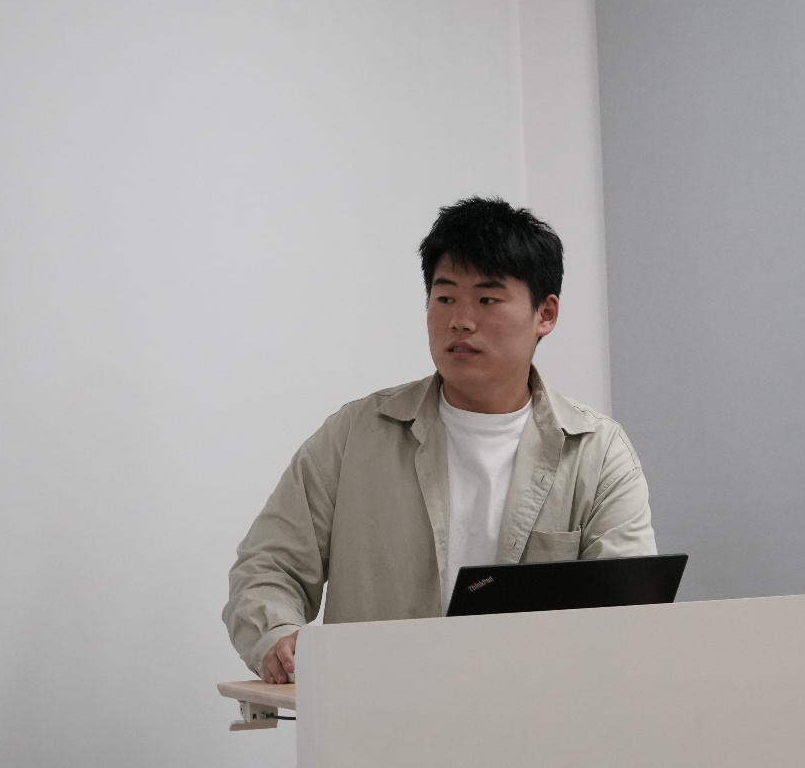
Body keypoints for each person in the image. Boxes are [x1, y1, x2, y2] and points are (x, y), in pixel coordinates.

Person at [223, 197, 656, 684]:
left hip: (537, 714)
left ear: (546, 313)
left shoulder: (596, 452)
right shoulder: (356, 435)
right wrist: (278, 635)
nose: (460, 320)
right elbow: (269, 564)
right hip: (378, 711)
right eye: (445, 297)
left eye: (487, 300)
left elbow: (630, 610)